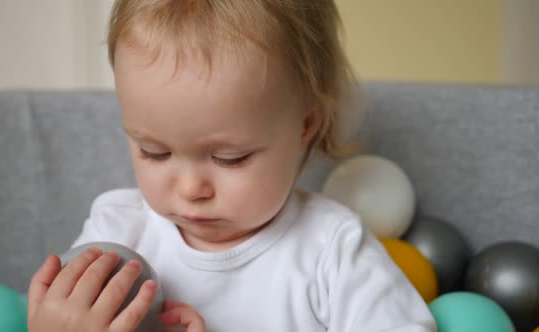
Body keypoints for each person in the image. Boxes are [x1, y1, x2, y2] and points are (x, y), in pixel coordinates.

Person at [28, 0, 437, 331]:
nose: (191, 189)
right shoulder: (117, 231)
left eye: (230, 158)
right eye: (154, 151)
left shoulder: (331, 248)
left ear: (304, 126)